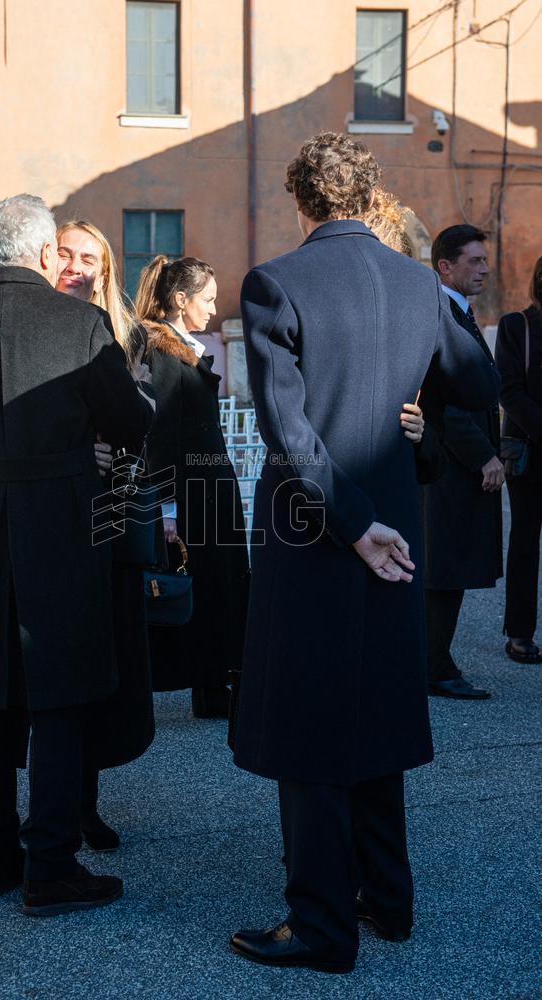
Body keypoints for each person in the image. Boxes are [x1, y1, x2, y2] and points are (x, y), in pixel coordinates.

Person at [230, 132, 498, 973]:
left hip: (316, 533)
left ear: (301, 199)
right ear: (367, 195)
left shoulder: (275, 281)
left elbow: (287, 432)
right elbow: (479, 383)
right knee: (377, 709)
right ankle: (387, 898)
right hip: (394, 527)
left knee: (309, 724)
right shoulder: (421, 284)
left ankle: (320, 926)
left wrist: (348, 524)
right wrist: (412, 410)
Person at [0, 194, 152, 916]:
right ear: (45, 253)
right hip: (64, 524)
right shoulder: (80, 323)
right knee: (61, 693)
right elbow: (130, 421)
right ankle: (50, 865)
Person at [135, 256, 250, 718]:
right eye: (208, 299)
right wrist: (167, 508)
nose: (215, 308)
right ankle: (211, 687)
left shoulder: (182, 347)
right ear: (181, 300)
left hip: (209, 489)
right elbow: (160, 434)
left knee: (218, 586)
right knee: (205, 586)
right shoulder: (163, 351)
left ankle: (216, 685)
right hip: (192, 494)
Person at [421, 225, 503, 700]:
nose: (485, 269)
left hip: (453, 462)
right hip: (448, 464)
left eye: (484, 260)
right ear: (445, 266)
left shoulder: (459, 312)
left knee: (447, 566)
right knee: (444, 567)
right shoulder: (442, 315)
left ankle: (434, 659)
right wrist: (484, 456)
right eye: (474, 260)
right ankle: (434, 665)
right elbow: (446, 402)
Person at [495, 255, 542, 664]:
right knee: (525, 544)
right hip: (530, 453)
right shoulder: (516, 326)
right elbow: (508, 391)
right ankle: (520, 633)